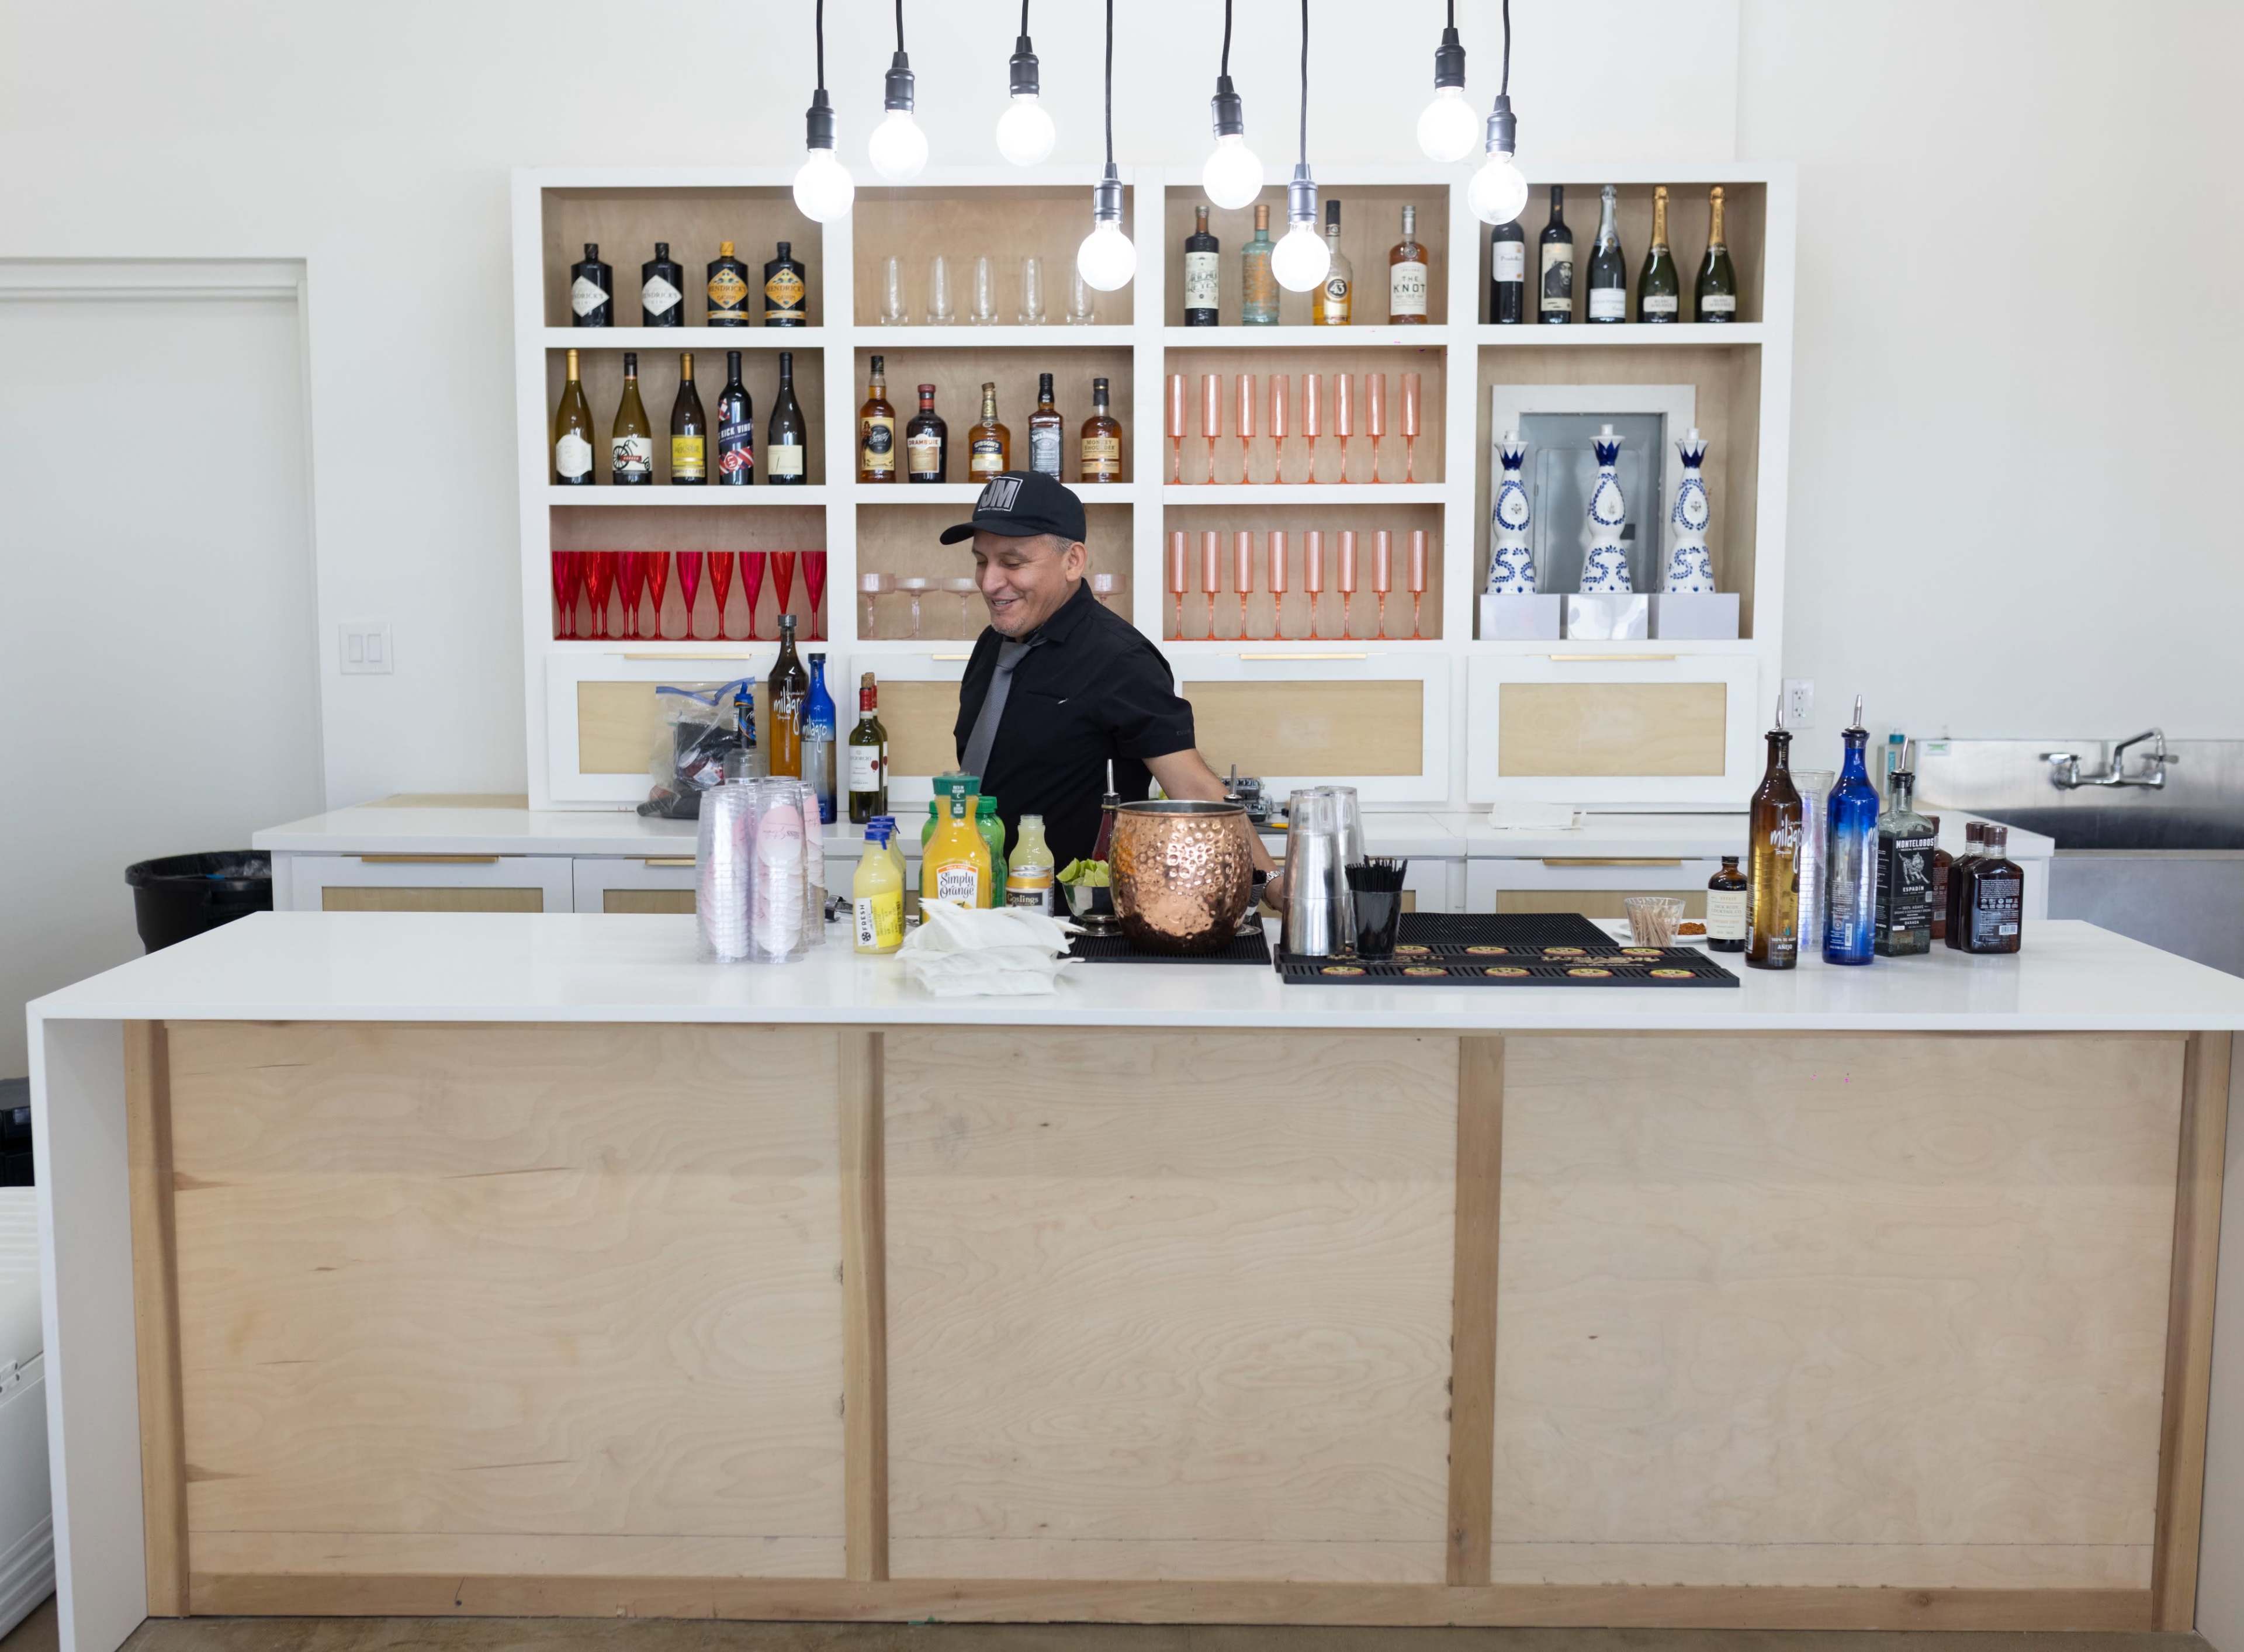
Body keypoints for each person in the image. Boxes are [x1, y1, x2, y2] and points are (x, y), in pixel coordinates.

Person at [941, 471, 1279, 886]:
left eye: (1012, 562)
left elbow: (1194, 786)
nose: (989, 582)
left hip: (1079, 926)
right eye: (981, 561)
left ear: (1073, 561)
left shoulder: (1120, 658)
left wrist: (1275, 882)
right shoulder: (993, 646)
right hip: (977, 902)